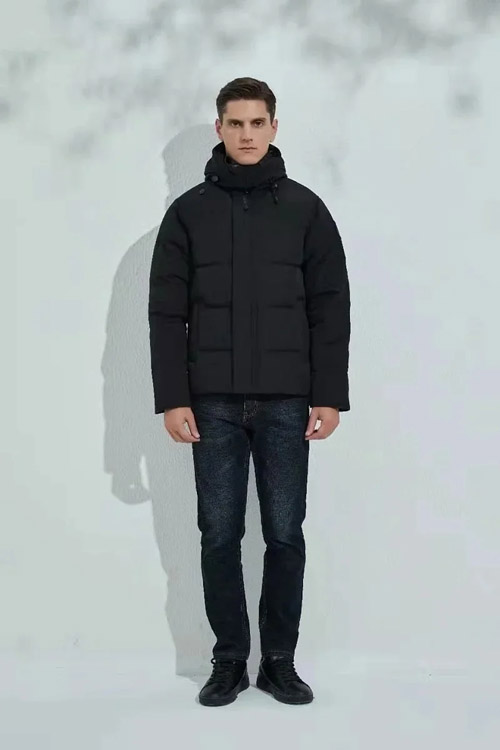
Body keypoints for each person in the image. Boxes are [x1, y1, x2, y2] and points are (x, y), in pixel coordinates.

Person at [148, 77, 351, 707]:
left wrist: (328, 394)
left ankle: (279, 662)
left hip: (288, 401)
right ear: (219, 129)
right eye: (235, 123)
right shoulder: (188, 213)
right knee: (219, 534)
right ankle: (230, 660)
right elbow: (165, 313)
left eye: (257, 123)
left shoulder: (306, 209)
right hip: (211, 403)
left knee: (285, 533)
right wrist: (173, 397)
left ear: (274, 127)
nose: (246, 134)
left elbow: (331, 307)